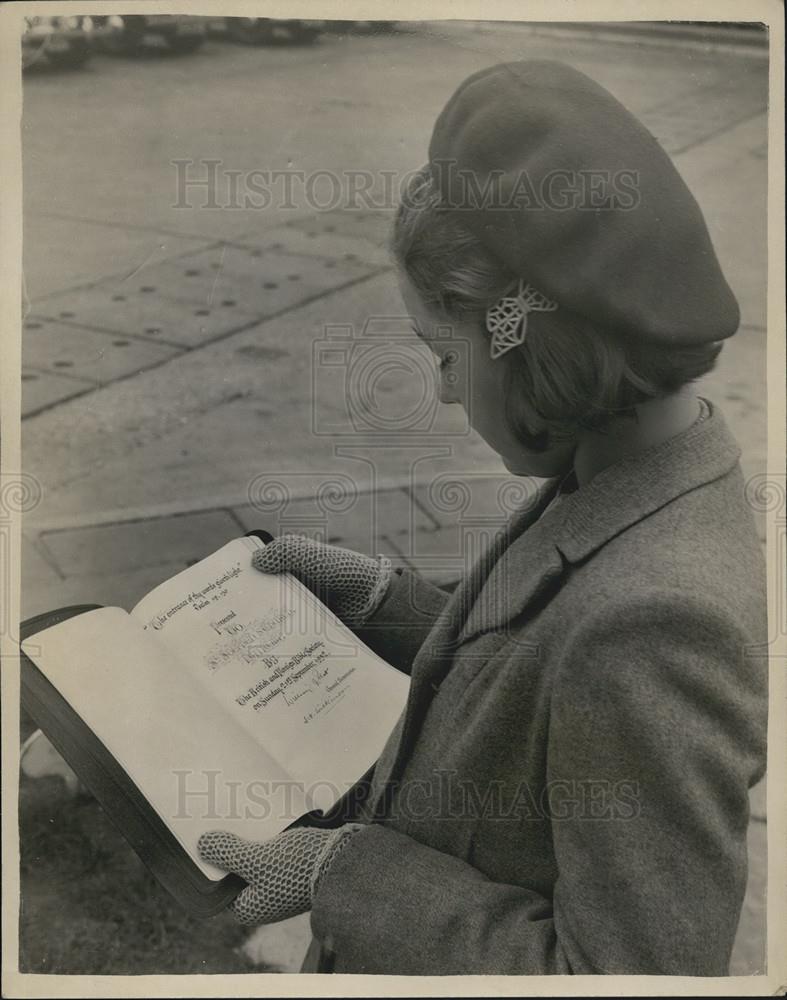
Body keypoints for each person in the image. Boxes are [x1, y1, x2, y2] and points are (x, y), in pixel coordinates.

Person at [198, 60, 768, 975]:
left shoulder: (657, 630)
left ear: (525, 342)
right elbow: (547, 685)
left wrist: (346, 871)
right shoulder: (637, 468)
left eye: (443, 352)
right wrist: (387, 603)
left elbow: (626, 978)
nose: (444, 389)